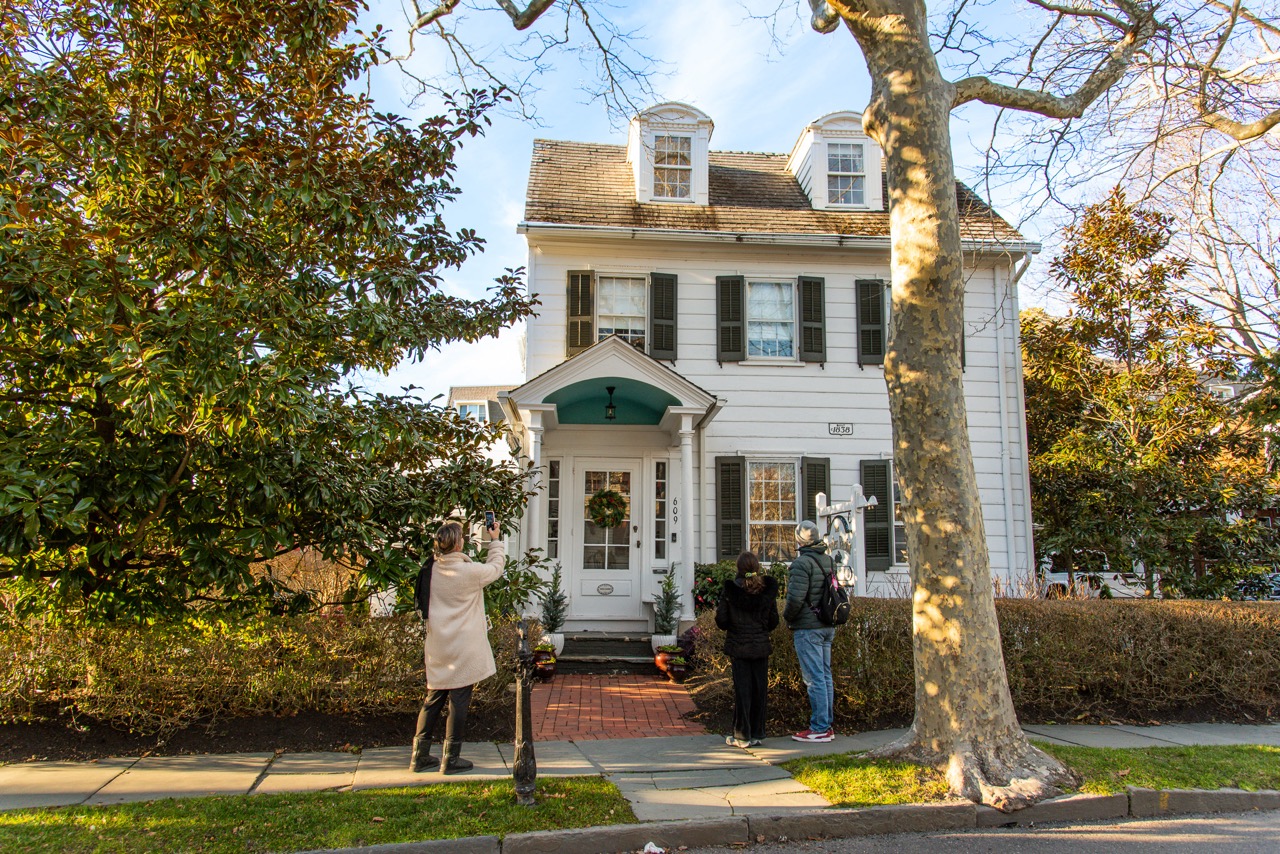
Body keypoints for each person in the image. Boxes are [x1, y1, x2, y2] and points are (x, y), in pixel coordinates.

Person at [410, 516, 505, 774]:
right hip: (463, 646)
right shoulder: (468, 572)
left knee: (433, 698)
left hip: (438, 645)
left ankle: (419, 756)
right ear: (458, 545)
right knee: (459, 700)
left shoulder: (431, 570)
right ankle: (450, 759)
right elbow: (496, 568)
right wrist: (495, 540)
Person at [715, 550, 779, 748]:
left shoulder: (731, 591)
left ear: (739, 568)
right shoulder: (765, 591)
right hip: (760, 646)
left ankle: (742, 734)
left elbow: (722, 620)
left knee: (743, 691)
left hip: (739, 647)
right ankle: (758, 732)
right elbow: (773, 620)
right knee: (759, 689)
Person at [783, 520, 836, 743]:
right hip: (826, 625)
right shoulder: (828, 560)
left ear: (799, 540)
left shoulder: (801, 564)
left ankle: (820, 727)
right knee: (824, 675)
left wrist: (787, 616)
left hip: (808, 628)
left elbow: (795, 599)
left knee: (814, 678)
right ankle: (827, 724)